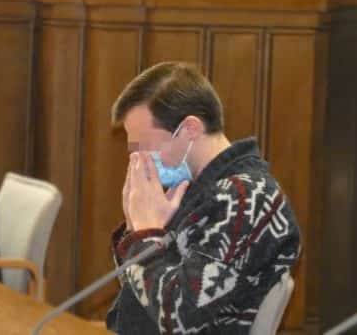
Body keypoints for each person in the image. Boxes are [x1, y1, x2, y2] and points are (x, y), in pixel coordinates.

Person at [106, 62, 300, 334]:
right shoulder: (196, 190)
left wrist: (145, 235)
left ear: (189, 129)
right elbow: (139, 293)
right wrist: (134, 227)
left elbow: (178, 319)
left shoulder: (245, 199)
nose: (138, 159)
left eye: (145, 146)